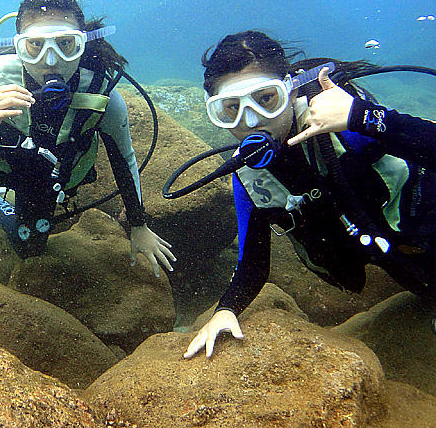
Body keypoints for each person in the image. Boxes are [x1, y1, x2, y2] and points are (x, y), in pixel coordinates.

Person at [184, 30, 436, 359]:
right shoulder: (250, 175)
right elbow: (253, 263)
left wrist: (359, 116)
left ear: (290, 90)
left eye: (266, 98)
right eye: (231, 108)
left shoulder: (343, 124)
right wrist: (226, 310)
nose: (251, 120)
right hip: (399, 258)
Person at [0, 0, 175, 275]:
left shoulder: (102, 94)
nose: (50, 60)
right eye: (35, 45)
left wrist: (138, 225)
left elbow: (123, 158)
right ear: (19, 46)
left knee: (29, 251)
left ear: (82, 43)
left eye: (65, 43)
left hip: (43, 183)